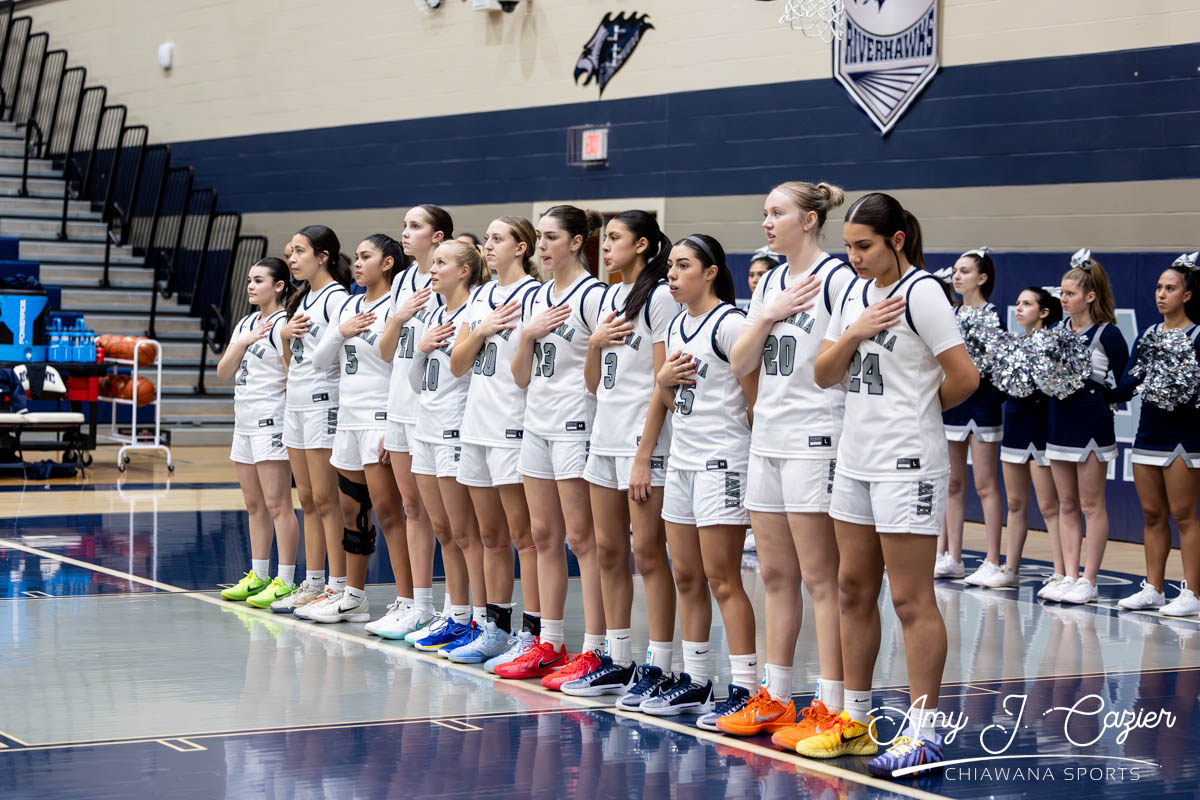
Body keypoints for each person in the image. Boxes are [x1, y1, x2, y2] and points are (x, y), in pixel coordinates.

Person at [810, 192, 978, 776]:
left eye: (864, 246)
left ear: (897, 240)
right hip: (854, 459)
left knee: (910, 599)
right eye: (848, 247)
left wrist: (916, 413)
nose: (854, 257)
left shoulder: (923, 292)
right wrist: (854, 331)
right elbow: (824, 373)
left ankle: (924, 732)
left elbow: (964, 377)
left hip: (907, 462)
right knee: (852, 589)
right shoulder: (853, 294)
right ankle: (854, 722)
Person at [722, 182, 849, 743]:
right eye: (764, 213)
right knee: (775, 575)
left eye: (778, 213)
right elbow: (740, 362)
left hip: (815, 437)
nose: (767, 222)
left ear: (810, 219)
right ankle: (775, 696)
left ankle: (832, 704)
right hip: (767, 437)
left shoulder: (838, 279)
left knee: (822, 579)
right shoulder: (771, 281)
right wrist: (767, 314)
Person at [640, 234, 759, 733]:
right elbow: (669, 399)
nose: (672, 274)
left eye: (683, 265)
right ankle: (697, 678)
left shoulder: (730, 324)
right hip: (682, 462)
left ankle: (746, 688)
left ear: (710, 272)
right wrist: (662, 386)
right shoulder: (676, 324)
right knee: (686, 574)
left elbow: (756, 401)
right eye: (670, 265)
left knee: (723, 578)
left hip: (721, 463)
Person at [562, 211, 679, 702]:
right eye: (604, 238)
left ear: (643, 244)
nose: (605, 246)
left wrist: (643, 454)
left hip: (641, 444)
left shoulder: (661, 297)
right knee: (608, 552)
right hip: (603, 441)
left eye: (614, 238)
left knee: (648, 554)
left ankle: (661, 665)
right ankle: (618, 658)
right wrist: (592, 346)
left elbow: (663, 383)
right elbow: (593, 384)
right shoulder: (609, 297)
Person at [497, 206, 608, 686]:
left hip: (576, 426)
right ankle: (551, 641)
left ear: (577, 242)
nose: (542, 246)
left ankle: (597, 649)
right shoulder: (537, 297)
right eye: (539, 237)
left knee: (582, 539)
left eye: (551, 237)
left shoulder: (594, 296)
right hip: (536, 424)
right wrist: (527, 334)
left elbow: (604, 374)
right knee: (543, 535)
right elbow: (519, 376)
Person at [447, 216, 544, 668]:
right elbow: (457, 364)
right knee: (490, 535)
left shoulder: (534, 295)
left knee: (525, 536)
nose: (487, 245)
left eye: (497, 238)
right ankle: (495, 629)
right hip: (476, 425)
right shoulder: (481, 296)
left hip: (512, 424)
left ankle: (535, 632)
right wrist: (482, 330)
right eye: (485, 238)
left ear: (521, 247)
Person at [306, 235, 412, 625]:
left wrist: (391, 424)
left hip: (378, 421)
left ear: (387, 263)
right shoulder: (348, 305)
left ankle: (408, 601)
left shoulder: (398, 306)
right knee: (353, 512)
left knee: (388, 513)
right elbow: (319, 361)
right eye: (358, 256)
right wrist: (340, 331)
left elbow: (400, 368)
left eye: (367, 256)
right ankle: (354, 597)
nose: (358, 263)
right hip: (348, 422)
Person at [405, 240, 493, 655]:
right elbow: (414, 382)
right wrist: (421, 350)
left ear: (464, 271)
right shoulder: (432, 314)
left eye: (441, 262)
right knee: (443, 530)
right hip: (425, 427)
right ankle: (456, 616)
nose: (432, 269)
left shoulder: (475, 311)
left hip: (455, 430)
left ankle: (481, 619)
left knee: (465, 532)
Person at [373, 205, 449, 640]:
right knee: (412, 509)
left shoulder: (449, 280)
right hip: (400, 407)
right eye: (404, 225)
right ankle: (418, 606)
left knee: (448, 519)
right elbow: (387, 352)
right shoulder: (402, 281)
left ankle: (461, 611)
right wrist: (399, 317)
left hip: (434, 410)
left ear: (438, 237)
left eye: (415, 226)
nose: (405, 233)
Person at [1113, 253, 1200, 616]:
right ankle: (1154, 588)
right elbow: (1128, 381)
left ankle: (1192, 593)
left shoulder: (1198, 335)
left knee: (1183, 514)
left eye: (1170, 288)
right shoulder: (1149, 334)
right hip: (1148, 432)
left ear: (1187, 295)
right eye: (1159, 287)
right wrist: (1103, 389)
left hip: (1185, 436)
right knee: (1151, 513)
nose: (1161, 294)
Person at [1042, 249, 1129, 604]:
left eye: (1071, 293)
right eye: (1062, 293)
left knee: (1091, 504)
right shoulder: (1055, 331)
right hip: (1058, 422)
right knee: (1066, 503)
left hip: (1092, 424)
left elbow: (1129, 378)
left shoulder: (1108, 334)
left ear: (1090, 296)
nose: (1063, 299)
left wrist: (1105, 394)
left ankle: (1089, 580)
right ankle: (1068, 575)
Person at [218, 258, 301, 608]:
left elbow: (293, 372)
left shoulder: (284, 323)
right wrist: (244, 341)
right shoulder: (246, 323)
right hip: (244, 422)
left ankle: (286, 580)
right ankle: (258, 575)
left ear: (279, 285)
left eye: (259, 280)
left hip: (271, 421)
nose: (251, 286)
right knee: (254, 505)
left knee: (278, 503)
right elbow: (224, 371)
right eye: (249, 280)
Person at [277, 226, 351, 616]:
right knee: (306, 498)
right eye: (291, 252)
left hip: (324, 403)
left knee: (326, 499)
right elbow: (292, 362)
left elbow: (337, 356)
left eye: (300, 251)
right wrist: (284, 337)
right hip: (296, 403)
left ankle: (339, 586)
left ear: (323, 256)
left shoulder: (337, 298)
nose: (292, 258)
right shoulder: (301, 297)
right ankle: (314, 582)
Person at [936, 248, 1007, 584]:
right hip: (952, 405)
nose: (957, 276)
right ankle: (952, 556)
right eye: (955, 271)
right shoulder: (948, 314)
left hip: (982, 407)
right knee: (951, 482)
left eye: (964, 271)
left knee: (984, 483)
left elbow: (996, 368)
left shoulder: (993, 316)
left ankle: (992, 560)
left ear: (982, 278)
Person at [997, 287, 1065, 597]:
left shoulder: (1054, 344)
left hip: (1042, 429)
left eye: (1027, 304)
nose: (1019, 308)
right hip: (1014, 427)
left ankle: (1061, 571)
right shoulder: (1013, 344)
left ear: (1044, 311)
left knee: (1049, 505)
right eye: (1018, 303)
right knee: (1014, 503)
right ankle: (1010, 569)